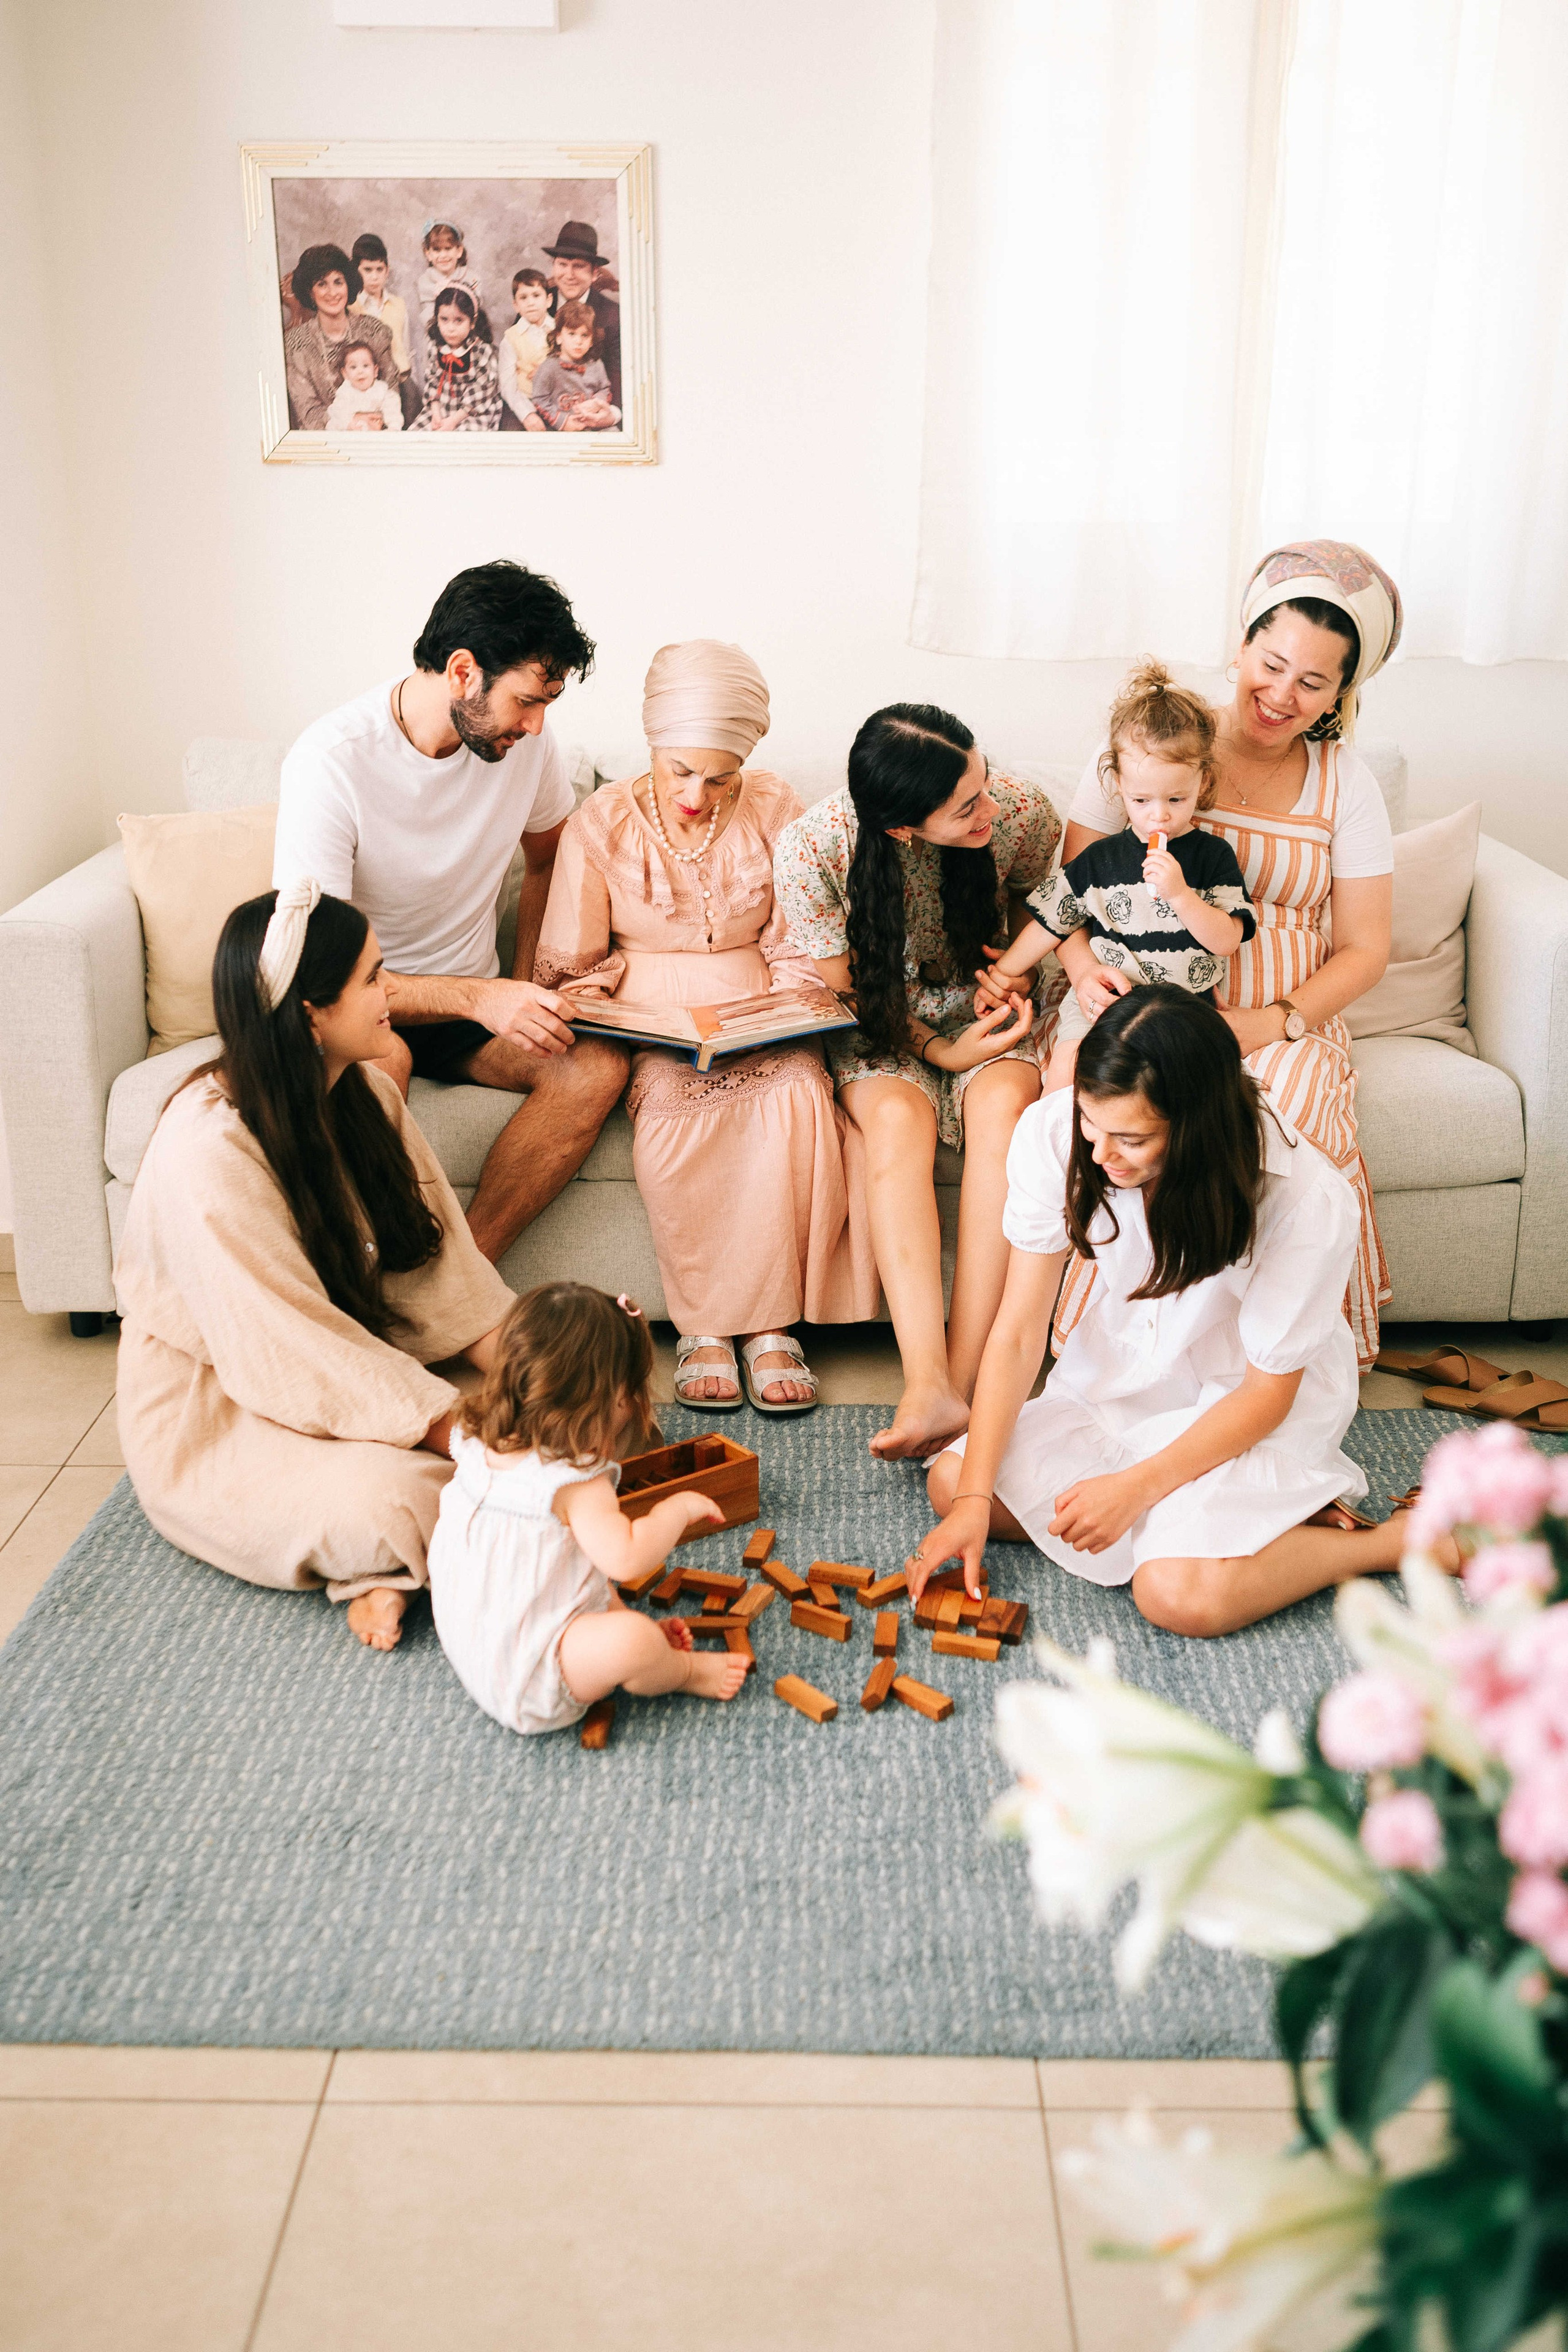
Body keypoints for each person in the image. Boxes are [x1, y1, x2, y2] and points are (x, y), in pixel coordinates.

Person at [911, 986, 1453, 1638]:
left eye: (1131, 1138)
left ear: (1196, 1126)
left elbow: (1263, 1398)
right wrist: (972, 1502)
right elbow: (1020, 1331)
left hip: (1243, 1407)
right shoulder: (1056, 1132)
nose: (1100, 1153)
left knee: (1177, 1596)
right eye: (1091, 1121)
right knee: (953, 1481)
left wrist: (1136, 1487)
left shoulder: (1307, 1198)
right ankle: (1247, 1527)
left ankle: (1393, 1542)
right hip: (1125, 1377)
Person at [115, 887, 514, 1652]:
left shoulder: (364, 1089)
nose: (389, 993)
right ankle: (376, 1564)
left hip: (356, 1362)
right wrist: (469, 1436)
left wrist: (548, 1378)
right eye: (372, 979)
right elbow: (286, 1349)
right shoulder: (209, 1150)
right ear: (309, 1012)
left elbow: (441, 1276)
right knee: (408, 1497)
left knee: (578, 1421)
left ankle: (399, 1560)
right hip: (228, 1401)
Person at [1058, 540, 1399, 1367]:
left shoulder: (1345, 782)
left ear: (1341, 693)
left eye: (1313, 681)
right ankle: (1137, 1356)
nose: (1281, 694)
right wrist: (1079, 972)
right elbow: (1072, 899)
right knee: (1123, 1107)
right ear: (1241, 647)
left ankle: (1262, 1364)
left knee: (1285, 1116)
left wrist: (1272, 1023)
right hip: (1143, 1001)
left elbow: (1364, 948)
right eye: (1271, 662)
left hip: (1282, 1018)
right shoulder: (1159, 744)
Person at [535, 641, 878, 1411]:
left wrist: (781, 1010)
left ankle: (769, 1328)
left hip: (762, 1005)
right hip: (650, 1015)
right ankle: (706, 1327)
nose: (697, 794)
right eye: (680, 771)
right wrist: (629, 1013)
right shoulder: (602, 821)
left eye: (719, 776)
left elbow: (800, 939)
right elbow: (570, 970)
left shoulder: (776, 806)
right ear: (653, 747)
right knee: (674, 1120)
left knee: (795, 1097)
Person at [272, 560, 629, 1265]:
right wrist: (484, 996)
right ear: (463, 672)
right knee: (386, 1061)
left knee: (594, 1067)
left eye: (547, 705)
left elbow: (550, 855)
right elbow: (316, 966)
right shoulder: (332, 761)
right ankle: (353, 1282)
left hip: (466, 1014)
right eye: (527, 701)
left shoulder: (526, 748)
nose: (534, 726)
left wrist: (531, 989)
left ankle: (467, 1278)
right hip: (355, 1002)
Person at [773, 705, 1063, 1460]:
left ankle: (961, 1390)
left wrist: (1008, 974)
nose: (992, 810)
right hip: (888, 1021)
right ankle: (924, 1378)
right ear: (903, 828)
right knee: (896, 1130)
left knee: (1005, 1113)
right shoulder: (813, 851)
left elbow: (1044, 915)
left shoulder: (1024, 813)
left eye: (984, 781)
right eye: (967, 807)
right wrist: (937, 1051)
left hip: (988, 1008)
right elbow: (849, 990)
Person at [429, 1283, 748, 1736]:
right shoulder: (577, 1482)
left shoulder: (473, 1439)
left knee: (580, 1571)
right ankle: (685, 1671)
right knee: (634, 1640)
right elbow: (627, 1559)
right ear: (614, 1400)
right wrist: (674, 1510)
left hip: (475, 1641)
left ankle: (611, 1630)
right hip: (533, 1682)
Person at [978, 663, 1253, 1090]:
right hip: (1103, 1004)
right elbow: (1052, 923)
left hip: (1179, 1011)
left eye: (1176, 798)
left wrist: (1181, 895)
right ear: (1118, 784)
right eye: (1141, 799)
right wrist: (1002, 976)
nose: (1158, 814)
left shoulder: (1213, 856)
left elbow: (1226, 941)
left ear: (1205, 781)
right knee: (1067, 1080)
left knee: (1176, 1097)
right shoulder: (1098, 860)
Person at [283, 243, 396, 431]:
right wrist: (352, 423)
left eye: (338, 282)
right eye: (322, 284)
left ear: (348, 285)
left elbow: (390, 389)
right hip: (324, 442)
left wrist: (373, 424)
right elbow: (308, 412)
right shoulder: (297, 344)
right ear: (310, 293)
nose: (333, 293)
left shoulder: (375, 332)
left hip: (376, 433)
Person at [543, 218, 621, 411]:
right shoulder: (536, 305)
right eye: (562, 264)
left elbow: (619, 383)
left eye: (578, 266)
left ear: (595, 273)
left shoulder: (613, 317)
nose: (569, 275)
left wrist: (611, 414)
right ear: (554, 266)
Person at [410, 284, 502, 433]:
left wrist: (452, 422)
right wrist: (436, 414)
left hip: (472, 413)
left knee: (461, 445)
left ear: (472, 322)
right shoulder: (436, 347)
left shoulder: (481, 351)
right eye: (444, 320)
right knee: (415, 437)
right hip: (441, 408)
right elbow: (432, 381)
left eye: (459, 321)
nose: (451, 328)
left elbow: (481, 393)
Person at [350, 231, 417, 423]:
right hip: (367, 387)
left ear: (387, 271)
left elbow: (406, 346)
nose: (374, 277)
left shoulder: (398, 305)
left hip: (402, 383)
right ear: (357, 271)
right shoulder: (352, 307)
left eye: (380, 270)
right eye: (368, 270)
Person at [527, 302, 619, 432]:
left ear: (592, 340)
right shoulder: (549, 367)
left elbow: (604, 388)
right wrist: (563, 422)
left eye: (585, 335)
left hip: (593, 423)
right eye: (572, 334)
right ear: (559, 338)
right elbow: (539, 399)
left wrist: (596, 403)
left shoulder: (596, 364)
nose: (578, 341)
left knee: (614, 434)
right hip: (564, 426)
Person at [498, 268, 552, 431]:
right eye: (523, 298)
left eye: (536, 296)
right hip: (523, 400)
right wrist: (527, 415)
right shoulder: (510, 338)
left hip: (555, 401)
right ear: (516, 306)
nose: (530, 302)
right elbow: (507, 385)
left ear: (548, 300)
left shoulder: (560, 331)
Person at [415, 216, 481, 337]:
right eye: (437, 250)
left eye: (448, 249)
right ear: (428, 254)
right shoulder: (425, 282)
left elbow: (475, 313)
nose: (443, 255)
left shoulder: (471, 278)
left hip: (467, 335)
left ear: (459, 251)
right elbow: (428, 316)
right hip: (438, 335)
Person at [325, 339, 405, 434]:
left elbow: (393, 414)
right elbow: (336, 416)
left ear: (375, 371)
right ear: (345, 374)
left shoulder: (381, 392)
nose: (360, 371)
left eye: (366, 366)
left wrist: (392, 429)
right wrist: (350, 424)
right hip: (351, 436)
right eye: (353, 367)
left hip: (377, 436)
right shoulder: (344, 393)